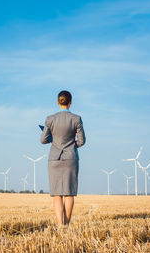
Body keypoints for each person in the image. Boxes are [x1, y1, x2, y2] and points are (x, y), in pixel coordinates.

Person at [41, 90, 86, 227]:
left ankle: (60, 225)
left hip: (54, 159)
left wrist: (53, 141)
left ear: (57, 102)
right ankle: (66, 224)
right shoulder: (76, 119)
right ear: (70, 102)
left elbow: (43, 140)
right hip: (70, 158)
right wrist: (72, 147)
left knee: (57, 194)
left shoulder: (50, 119)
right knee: (69, 193)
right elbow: (82, 141)